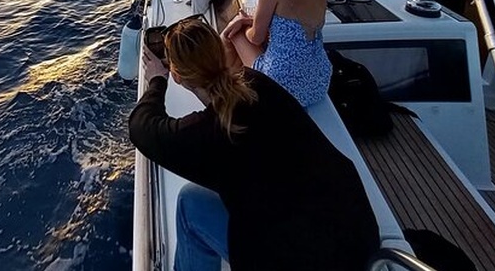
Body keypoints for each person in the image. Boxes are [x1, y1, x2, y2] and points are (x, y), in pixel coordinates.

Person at [128, 17, 380, 270]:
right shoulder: (258, 84)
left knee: (189, 204)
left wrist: (156, 81)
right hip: (360, 239)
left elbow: (141, 127)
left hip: (307, 260)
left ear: (177, 76)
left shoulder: (205, 135)